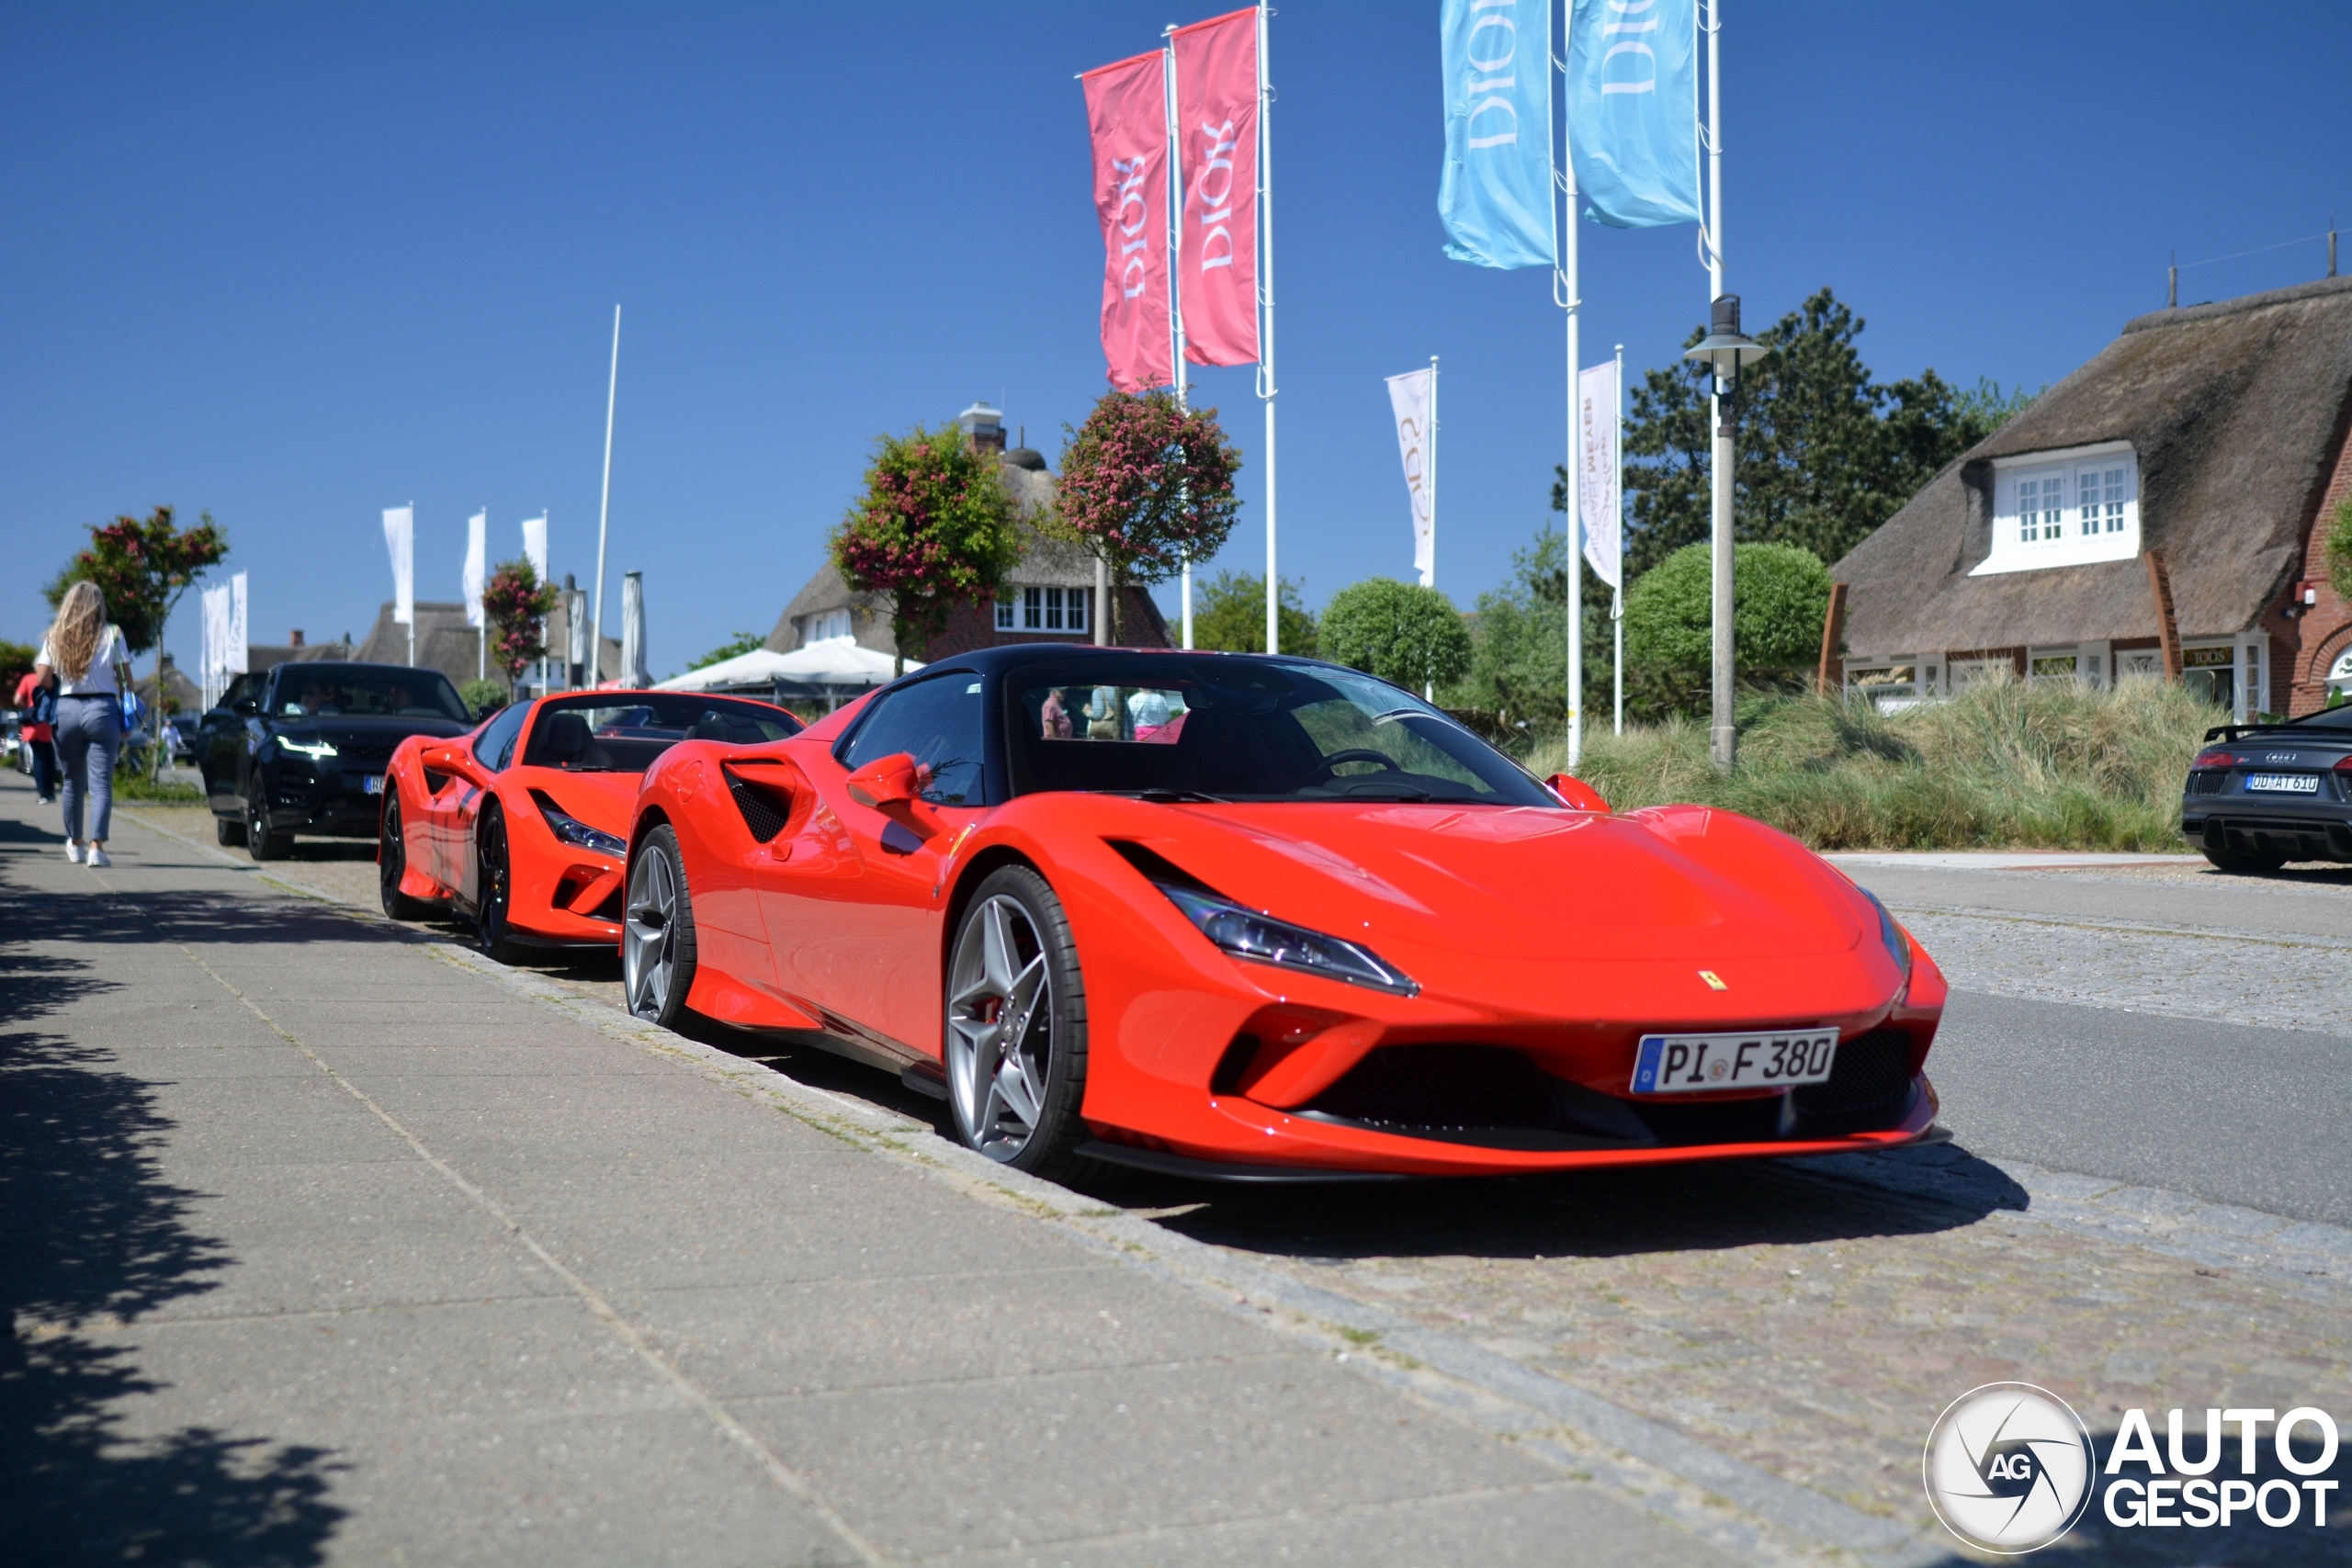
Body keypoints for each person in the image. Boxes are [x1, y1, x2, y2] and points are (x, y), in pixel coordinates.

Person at [36, 581, 134, 867]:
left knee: (71, 781)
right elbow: (126, 679)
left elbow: (43, 678)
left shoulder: (56, 636)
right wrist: (126, 714)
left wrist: (59, 683)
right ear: (98, 605)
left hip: (66, 709)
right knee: (101, 783)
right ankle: (97, 848)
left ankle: (75, 843)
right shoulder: (113, 634)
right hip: (102, 709)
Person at [13, 668, 57, 801]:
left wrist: (26, 706)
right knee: (50, 759)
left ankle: (42, 793)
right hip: (50, 723)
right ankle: (51, 792)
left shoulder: (28, 679)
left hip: (33, 726)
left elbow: (17, 700)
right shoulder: (54, 679)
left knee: (39, 759)